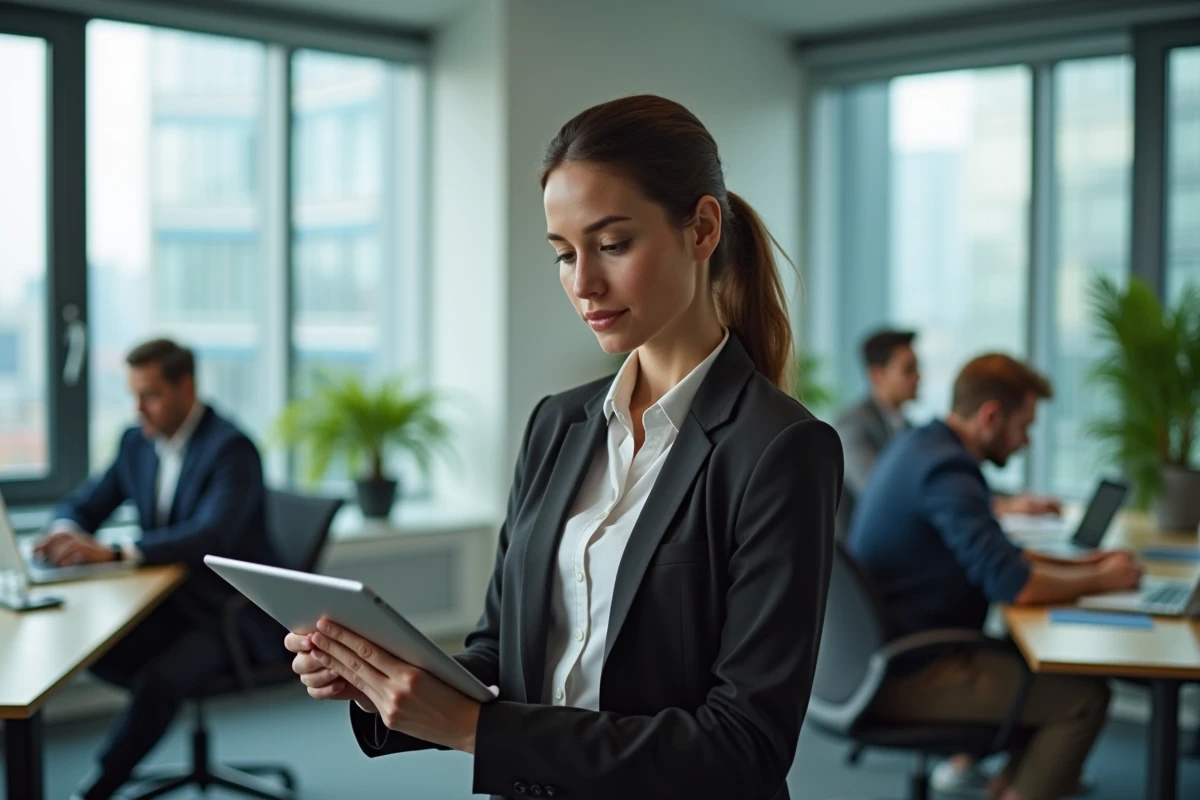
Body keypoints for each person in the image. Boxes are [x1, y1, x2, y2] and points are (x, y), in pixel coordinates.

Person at [286, 95, 843, 800]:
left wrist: (478, 732)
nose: (583, 283)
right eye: (563, 253)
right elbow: (504, 651)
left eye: (612, 245)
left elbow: (743, 746)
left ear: (701, 229)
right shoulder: (557, 424)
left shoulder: (781, 449)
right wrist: (378, 682)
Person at [848, 354, 1141, 800]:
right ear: (990, 416)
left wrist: (1090, 567)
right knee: (1083, 698)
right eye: (1025, 426)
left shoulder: (922, 446)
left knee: (1051, 679)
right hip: (909, 672)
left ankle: (1010, 788)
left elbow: (1004, 557)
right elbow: (1017, 585)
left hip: (885, 655)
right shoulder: (947, 471)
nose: (1026, 442)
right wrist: (1101, 581)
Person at [36, 339, 282, 800]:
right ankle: (149, 719)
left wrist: (112, 553)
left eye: (150, 395)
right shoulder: (137, 443)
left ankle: (100, 786)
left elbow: (210, 537)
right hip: (168, 601)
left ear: (185, 387)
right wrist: (65, 531)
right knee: (93, 648)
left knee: (160, 680)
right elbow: (87, 502)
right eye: (133, 395)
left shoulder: (232, 449)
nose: (138, 410)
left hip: (228, 609)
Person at [833, 328, 920, 539]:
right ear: (877, 375)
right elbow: (878, 492)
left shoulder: (908, 427)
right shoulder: (852, 425)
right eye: (908, 370)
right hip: (858, 554)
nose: (918, 377)